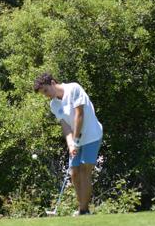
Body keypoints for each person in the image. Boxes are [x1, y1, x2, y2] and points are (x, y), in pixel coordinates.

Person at [34, 73, 103, 215]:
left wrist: (76, 139)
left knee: (84, 170)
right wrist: (71, 144)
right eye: (43, 94)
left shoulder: (73, 88)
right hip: (76, 140)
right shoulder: (54, 104)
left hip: (91, 135)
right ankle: (82, 208)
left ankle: (83, 210)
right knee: (74, 173)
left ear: (53, 83)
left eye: (46, 90)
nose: (46, 95)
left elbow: (79, 115)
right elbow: (65, 126)